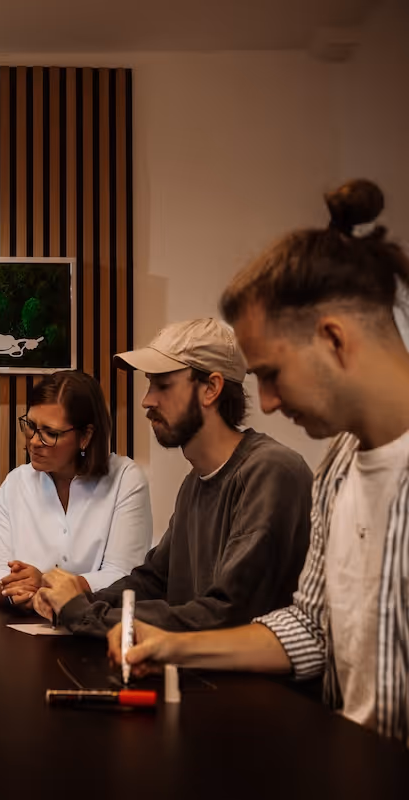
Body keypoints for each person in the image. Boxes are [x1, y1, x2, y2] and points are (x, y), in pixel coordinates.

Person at [111, 180, 409, 746]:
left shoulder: (281, 468)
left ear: (334, 340)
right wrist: (169, 644)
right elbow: (312, 629)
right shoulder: (339, 469)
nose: (266, 402)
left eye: (272, 373)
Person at [33, 317, 313, 636]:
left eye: (162, 385)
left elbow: (226, 615)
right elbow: (153, 580)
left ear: (211, 389)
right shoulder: (195, 481)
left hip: (253, 685)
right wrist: (75, 601)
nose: (147, 400)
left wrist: (85, 613)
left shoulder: (271, 472)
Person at [0, 370, 152, 610]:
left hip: (99, 628)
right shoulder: (15, 483)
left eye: (50, 433)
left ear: (85, 436)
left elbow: (124, 575)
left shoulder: (125, 479)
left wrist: (45, 583)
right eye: (30, 426)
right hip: (24, 625)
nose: (33, 441)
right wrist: (14, 589)